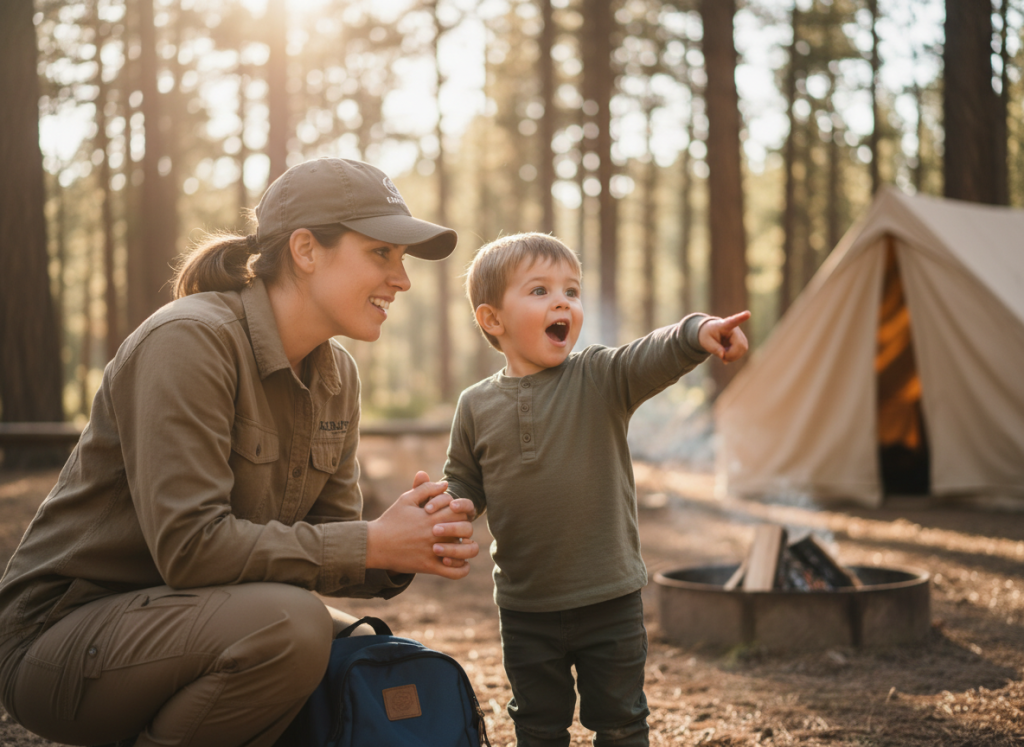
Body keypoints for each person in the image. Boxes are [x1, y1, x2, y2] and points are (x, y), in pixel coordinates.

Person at [0, 158, 480, 747]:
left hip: (191, 620)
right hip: (62, 641)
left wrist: (406, 542)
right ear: (306, 249)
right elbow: (190, 547)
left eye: (401, 261)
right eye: (381, 254)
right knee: (292, 628)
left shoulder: (338, 376)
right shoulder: (188, 341)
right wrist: (371, 540)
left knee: (358, 648)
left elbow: (327, 541)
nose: (401, 280)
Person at [426, 232, 750, 747]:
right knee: (537, 724)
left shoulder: (600, 376)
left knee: (621, 722)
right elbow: (464, 477)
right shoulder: (475, 405)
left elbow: (651, 355)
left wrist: (696, 332)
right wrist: (453, 504)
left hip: (609, 597)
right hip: (525, 603)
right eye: (539, 291)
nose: (563, 301)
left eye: (571, 291)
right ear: (493, 319)